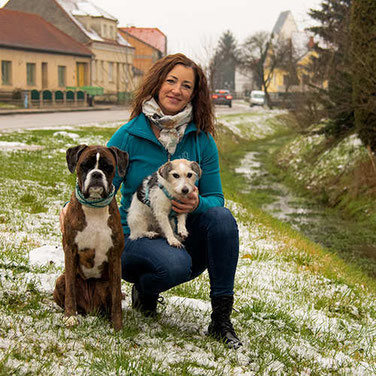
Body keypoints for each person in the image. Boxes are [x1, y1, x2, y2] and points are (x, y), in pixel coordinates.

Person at [61, 53, 242, 349]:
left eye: (186, 85)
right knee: (173, 264)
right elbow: (104, 185)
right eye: (171, 81)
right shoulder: (129, 135)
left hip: (182, 235)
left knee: (222, 219)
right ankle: (144, 290)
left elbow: (217, 198)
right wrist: (71, 208)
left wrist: (198, 205)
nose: (176, 89)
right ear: (158, 84)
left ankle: (221, 319)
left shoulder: (202, 140)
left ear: (194, 94)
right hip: (134, 239)